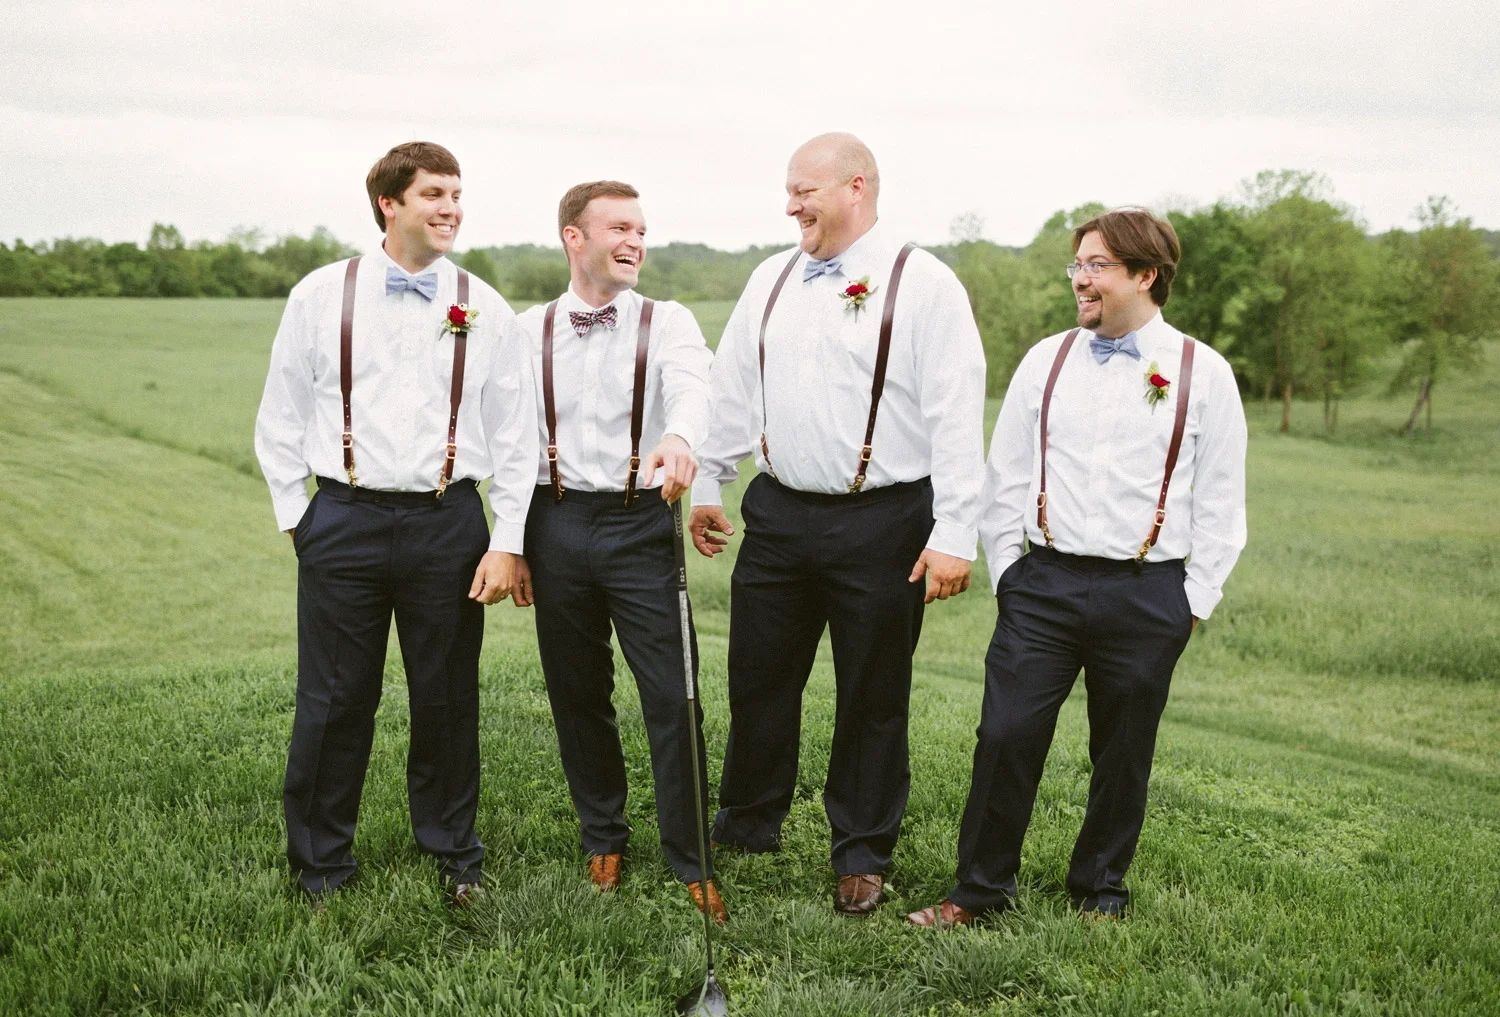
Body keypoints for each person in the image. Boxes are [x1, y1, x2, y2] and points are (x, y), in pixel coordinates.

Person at [907, 207, 1248, 929]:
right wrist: (1009, 571)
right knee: (1004, 736)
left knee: (1123, 753)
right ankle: (977, 891)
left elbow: (1222, 498)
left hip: (1149, 591)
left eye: (1095, 267)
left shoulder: (1201, 372)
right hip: (1044, 584)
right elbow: (1005, 475)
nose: (1080, 281)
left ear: (1145, 276)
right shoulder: (1047, 358)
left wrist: (1192, 601)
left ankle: (1099, 889)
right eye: (1078, 267)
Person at [688, 133, 987, 915]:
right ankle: (750, 819)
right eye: (788, 192)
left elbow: (957, 413)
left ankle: (861, 849)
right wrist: (710, 483)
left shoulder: (924, 284)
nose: (790, 206)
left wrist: (957, 530)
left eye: (803, 191)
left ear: (856, 186)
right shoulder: (771, 277)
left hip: (884, 518)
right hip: (779, 512)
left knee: (872, 690)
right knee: (758, 675)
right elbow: (732, 383)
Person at [253, 141, 537, 906]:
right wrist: (298, 519)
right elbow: (280, 413)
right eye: (434, 195)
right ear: (389, 203)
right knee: (335, 698)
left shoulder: (484, 304)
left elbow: (514, 435)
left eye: (456, 194)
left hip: (449, 523)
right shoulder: (321, 295)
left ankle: (454, 855)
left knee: (446, 697)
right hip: (342, 517)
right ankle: (321, 864)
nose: (450, 209)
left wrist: (507, 540)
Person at [511, 181, 725, 922]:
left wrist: (680, 436)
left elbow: (694, 387)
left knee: (675, 693)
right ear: (575, 237)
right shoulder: (525, 329)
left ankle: (692, 857)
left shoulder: (669, 321)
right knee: (577, 693)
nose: (635, 241)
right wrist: (511, 543)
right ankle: (603, 833)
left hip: (642, 524)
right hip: (556, 521)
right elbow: (508, 446)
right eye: (619, 228)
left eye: (642, 229)